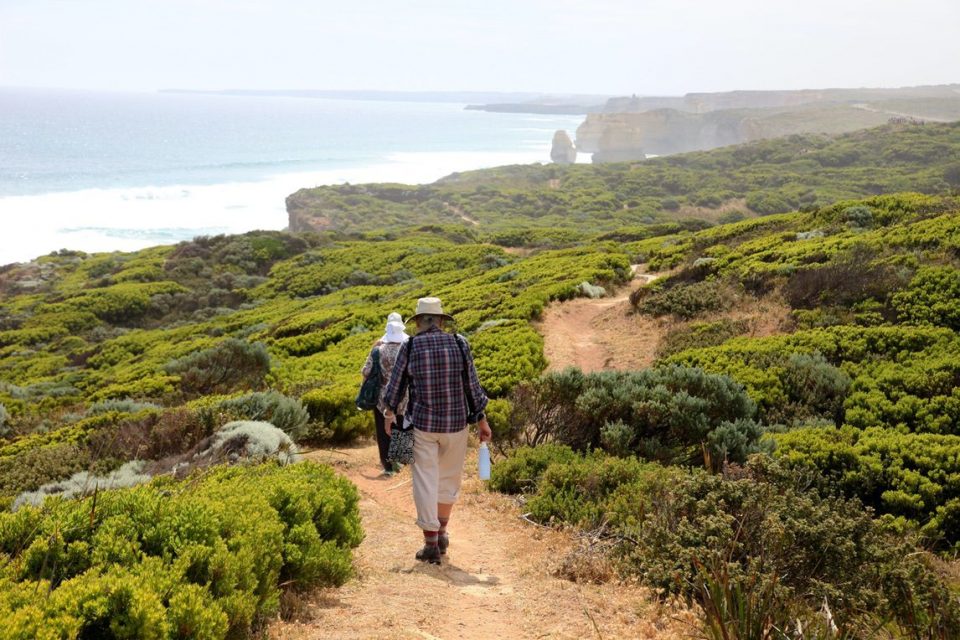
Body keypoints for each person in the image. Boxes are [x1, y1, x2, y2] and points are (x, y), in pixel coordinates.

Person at [383, 297, 492, 564]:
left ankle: (431, 543)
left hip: (423, 425)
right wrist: (481, 420)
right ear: (441, 321)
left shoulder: (410, 346)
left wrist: (389, 413)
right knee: (449, 480)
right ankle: (442, 533)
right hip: (456, 425)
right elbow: (472, 386)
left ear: (418, 322)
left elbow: (396, 385)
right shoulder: (459, 343)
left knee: (425, 481)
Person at [361, 312, 409, 475]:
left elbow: (366, 371)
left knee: (384, 431)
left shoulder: (378, 350)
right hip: (405, 398)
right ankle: (403, 465)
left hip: (382, 399)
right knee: (403, 427)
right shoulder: (408, 347)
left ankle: (388, 467)